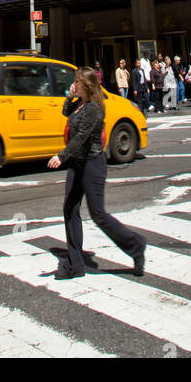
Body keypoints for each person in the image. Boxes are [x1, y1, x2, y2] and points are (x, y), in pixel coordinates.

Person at [47, 65, 146, 279]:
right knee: (70, 209)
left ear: (87, 85)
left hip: (93, 164)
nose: (74, 83)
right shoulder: (80, 104)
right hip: (77, 164)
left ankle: (136, 245)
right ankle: (75, 264)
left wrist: (60, 156)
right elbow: (66, 112)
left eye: (77, 81)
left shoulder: (93, 108)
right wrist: (70, 96)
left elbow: (80, 138)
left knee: (98, 214)